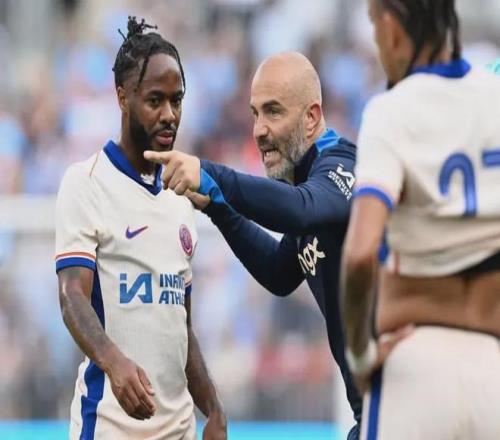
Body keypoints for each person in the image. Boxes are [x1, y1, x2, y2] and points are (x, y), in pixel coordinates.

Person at [145, 51, 362, 439]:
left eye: (273, 112)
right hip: (378, 410)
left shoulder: (342, 167)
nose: (259, 130)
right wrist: (218, 207)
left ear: (311, 117)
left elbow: (300, 210)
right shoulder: (309, 187)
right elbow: (280, 273)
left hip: (414, 404)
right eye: (255, 113)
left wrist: (210, 173)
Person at [55, 17, 226, 440]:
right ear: (123, 97)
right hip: (110, 427)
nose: (169, 115)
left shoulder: (180, 195)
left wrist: (213, 408)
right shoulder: (86, 182)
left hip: (179, 429)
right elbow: (72, 295)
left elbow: (180, 326)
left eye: (177, 100)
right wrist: (114, 362)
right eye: (155, 100)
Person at [340, 0, 500, 438]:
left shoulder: (391, 112)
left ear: (392, 28)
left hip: (413, 370)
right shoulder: (495, 99)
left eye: (374, 26)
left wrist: (359, 355)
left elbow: (359, 255)